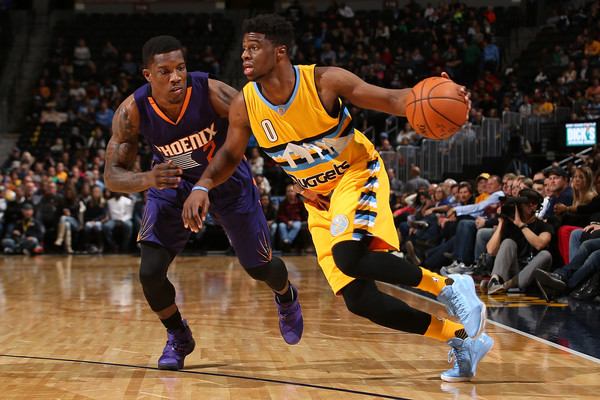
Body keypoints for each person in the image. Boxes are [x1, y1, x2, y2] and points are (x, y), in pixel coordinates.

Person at [183, 14, 493, 382]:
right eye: (244, 48)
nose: (245, 56)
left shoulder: (324, 82)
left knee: (349, 256)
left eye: (254, 47)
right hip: (319, 201)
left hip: (356, 173)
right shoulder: (245, 104)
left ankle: (450, 286)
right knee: (360, 300)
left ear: (279, 52)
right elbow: (230, 155)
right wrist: (202, 185)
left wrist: (438, 93)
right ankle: (460, 339)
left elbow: (393, 100)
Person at [103, 35, 303, 371]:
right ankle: (179, 336)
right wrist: (148, 179)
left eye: (180, 67)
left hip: (226, 180)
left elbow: (269, 128)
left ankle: (286, 296)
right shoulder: (132, 111)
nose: (176, 76)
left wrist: (303, 175)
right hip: (171, 183)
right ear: (147, 75)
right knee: (150, 273)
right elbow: (112, 175)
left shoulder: (213, 92)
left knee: (260, 268)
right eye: (164, 71)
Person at [480, 188, 553, 294]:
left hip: (532, 273)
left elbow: (539, 244)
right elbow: (491, 250)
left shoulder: (544, 225)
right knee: (508, 242)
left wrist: (521, 225)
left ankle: (507, 285)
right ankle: (495, 281)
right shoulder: (509, 225)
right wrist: (501, 222)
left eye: (534, 203)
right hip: (514, 269)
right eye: (527, 203)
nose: (531, 205)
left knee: (546, 255)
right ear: (520, 205)